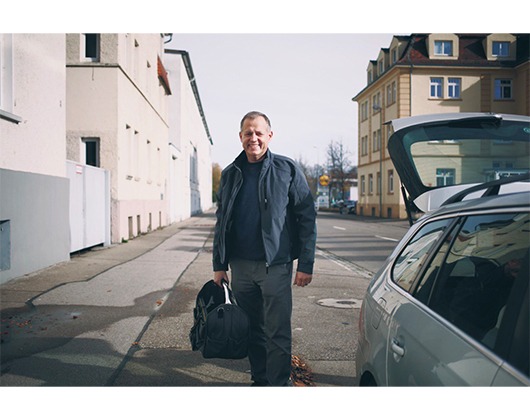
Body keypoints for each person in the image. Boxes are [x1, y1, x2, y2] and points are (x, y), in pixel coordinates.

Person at [212, 111, 317, 386]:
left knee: (277, 332)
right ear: (240, 137)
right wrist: (219, 265)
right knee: (252, 331)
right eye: (248, 133)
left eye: (259, 132)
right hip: (241, 267)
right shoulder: (230, 174)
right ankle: (259, 382)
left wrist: (305, 264)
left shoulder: (287, 169)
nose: (253, 138)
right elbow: (222, 221)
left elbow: (306, 217)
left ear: (270, 135)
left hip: (276, 267)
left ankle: (279, 385)